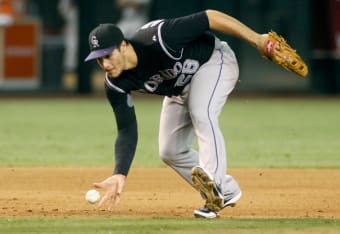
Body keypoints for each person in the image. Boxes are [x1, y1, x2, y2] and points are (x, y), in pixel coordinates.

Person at [84, 9, 269, 219]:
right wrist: (120, 172)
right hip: (180, 87)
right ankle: (226, 190)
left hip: (214, 62)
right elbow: (126, 129)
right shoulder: (115, 84)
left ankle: (215, 190)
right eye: (99, 59)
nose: (105, 64)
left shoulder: (160, 37)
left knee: (202, 112)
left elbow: (210, 17)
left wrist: (257, 40)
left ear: (124, 45)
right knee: (170, 150)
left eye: (108, 55)